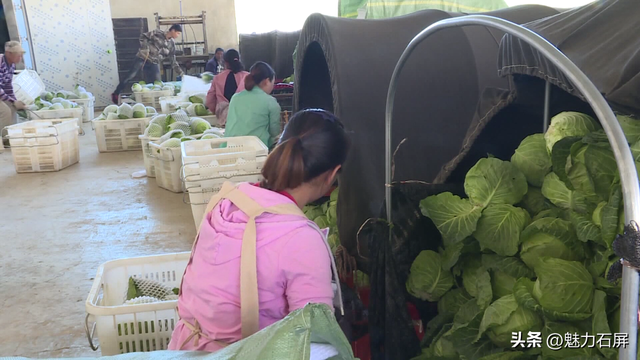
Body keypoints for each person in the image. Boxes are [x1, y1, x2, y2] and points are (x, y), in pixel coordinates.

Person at [168, 109, 350, 352]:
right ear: (333, 175)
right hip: (239, 355)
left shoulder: (227, 199)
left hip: (183, 348)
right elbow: (313, 335)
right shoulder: (302, 238)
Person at [111, 24, 185, 104]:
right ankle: (116, 93)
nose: (178, 36)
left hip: (154, 62)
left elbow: (173, 61)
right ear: (173, 30)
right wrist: (145, 48)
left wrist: (181, 73)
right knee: (130, 75)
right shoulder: (157, 33)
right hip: (142, 58)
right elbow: (143, 36)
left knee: (158, 83)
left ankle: (153, 102)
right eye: (178, 33)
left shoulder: (171, 44)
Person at [224, 62, 281, 149]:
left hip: (230, 149)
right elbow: (275, 132)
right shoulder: (270, 102)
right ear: (266, 81)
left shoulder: (235, 98)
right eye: (272, 83)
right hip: (255, 152)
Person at [205, 49, 248, 126]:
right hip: (245, 116)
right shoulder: (247, 76)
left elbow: (210, 100)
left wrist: (215, 110)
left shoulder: (217, 78)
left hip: (224, 118)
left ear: (225, 62)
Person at [0, 41, 25, 138]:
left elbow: (8, 86)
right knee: (5, 111)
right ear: (8, 53)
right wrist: (11, 101)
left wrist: (14, 101)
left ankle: (12, 136)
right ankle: (3, 139)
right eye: (18, 55)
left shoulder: (11, 64)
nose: (20, 58)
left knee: (12, 107)